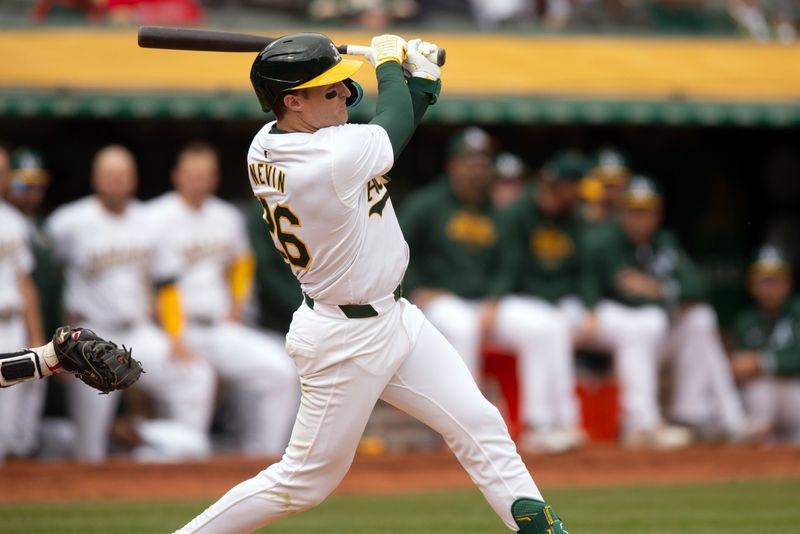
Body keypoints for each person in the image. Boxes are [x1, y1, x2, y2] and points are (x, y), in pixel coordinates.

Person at [176, 33, 567, 534]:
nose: (344, 95)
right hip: (344, 337)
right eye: (329, 90)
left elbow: (396, 124)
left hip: (396, 318)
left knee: (481, 425)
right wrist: (389, 64)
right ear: (292, 102)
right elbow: (392, 127)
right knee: (301, 484)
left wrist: (420, 80)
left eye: (341, 85)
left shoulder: (271, 140)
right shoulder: (329, 156)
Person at [45, 144, 216, 462]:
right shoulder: (68, 222)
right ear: (96, 179)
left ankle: (181, 465)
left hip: (138, 331)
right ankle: (86, 488)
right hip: (90, 337)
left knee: (194, 374)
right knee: (90, 445)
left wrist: (175, 338)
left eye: (123, 175)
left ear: (134, 179)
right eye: (110, 175)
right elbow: (47, 278)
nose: (117, 181)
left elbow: (167, 284)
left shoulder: (148, 221)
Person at [145, 141, 299, 456]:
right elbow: (149, 280)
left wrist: (235, 306)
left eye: (205, 175)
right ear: (177, 176)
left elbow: (242, 264)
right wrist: (166, 331)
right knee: (194, 391)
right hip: (172, 331)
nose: (198, 182)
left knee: (280, 371)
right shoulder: (154, 216)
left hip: (217, 325)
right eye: (192, 174)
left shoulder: (227, 216)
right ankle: (174, 469)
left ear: (215, 179)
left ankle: (264, 460)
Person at [583, 176, 757, 447]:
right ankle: (642, 425)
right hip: (616, 337)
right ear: (623, 212)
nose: (641, 218)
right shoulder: (604, 241)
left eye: (647, 210)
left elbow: (698, 286)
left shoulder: (664, 241)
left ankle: (695, 415)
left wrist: (657, 289)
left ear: (658, 213)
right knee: (644, 322)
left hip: (655, 335)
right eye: (634, 210)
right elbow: (616, 296)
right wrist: (657, 297)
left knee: (701, 318)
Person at [482, 150, 590, 453]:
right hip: (508, 302)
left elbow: (582, 268)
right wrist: (494, 299)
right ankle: (538, 424)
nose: (508, 189)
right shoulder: (518, 212)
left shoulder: (571, 216)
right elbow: (508, 266)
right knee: (546, 327)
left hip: (535, 303)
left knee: (553, 326)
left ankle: (563, 420)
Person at [399, 126, 500, 378]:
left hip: (485, 302)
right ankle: (468, 413)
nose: (477, 171)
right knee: (463, 328)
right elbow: (394, 248)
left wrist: (496, 296)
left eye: (482, 164)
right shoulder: (426, 204)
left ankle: (544, 417)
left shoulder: (496, 208)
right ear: (453, 165)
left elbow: (508, 260)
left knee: (545, 328)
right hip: (440, 301)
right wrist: (411, 290)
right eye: (470, 163)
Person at [0, 145, 46, 463]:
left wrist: (36, 336)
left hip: (12, 324)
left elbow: (24, 281)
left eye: (3, 170)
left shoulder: (12, 218)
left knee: (10, 425)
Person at [731, 245, 800, 443]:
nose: (771, 286)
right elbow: (741, 367)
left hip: (794, 393)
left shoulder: (797, 311)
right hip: (765, 397)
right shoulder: (745, 320)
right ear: (752, 285)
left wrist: (763, 361)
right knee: (759, 388)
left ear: (788, 283)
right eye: (765, 280)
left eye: (776, 280)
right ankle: (762, 443)